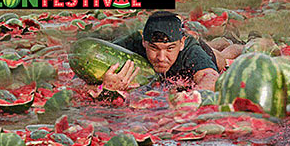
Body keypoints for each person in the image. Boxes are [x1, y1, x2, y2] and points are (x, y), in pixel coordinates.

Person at [100, 11, 243, 92]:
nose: (161, 58)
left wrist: (188, 97)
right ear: (144, 41)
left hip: (202, 50)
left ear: (181, 43)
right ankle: (219, 41)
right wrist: (104, 85)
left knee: (223, 56)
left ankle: (230, 42)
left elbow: (211, 79)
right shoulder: (130, 43)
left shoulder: (189, 50)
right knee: (213, 44)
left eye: (169, 48)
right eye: (154, 48)